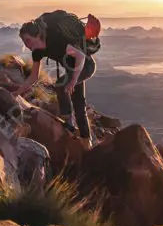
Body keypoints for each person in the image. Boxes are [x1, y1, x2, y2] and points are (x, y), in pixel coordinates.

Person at [12, 11, 100, 145]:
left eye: (28, 40)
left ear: (37, 35)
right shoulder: (38, 51)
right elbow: (34, 76)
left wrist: (73, 80)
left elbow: (80, 56)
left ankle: (69, 125)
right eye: (24, 42)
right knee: (78, 103)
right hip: (73, 70)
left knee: (61, 86)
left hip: (85, 66)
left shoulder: (55, 40)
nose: (27, 45)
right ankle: (86, 141)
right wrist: (17, 92)